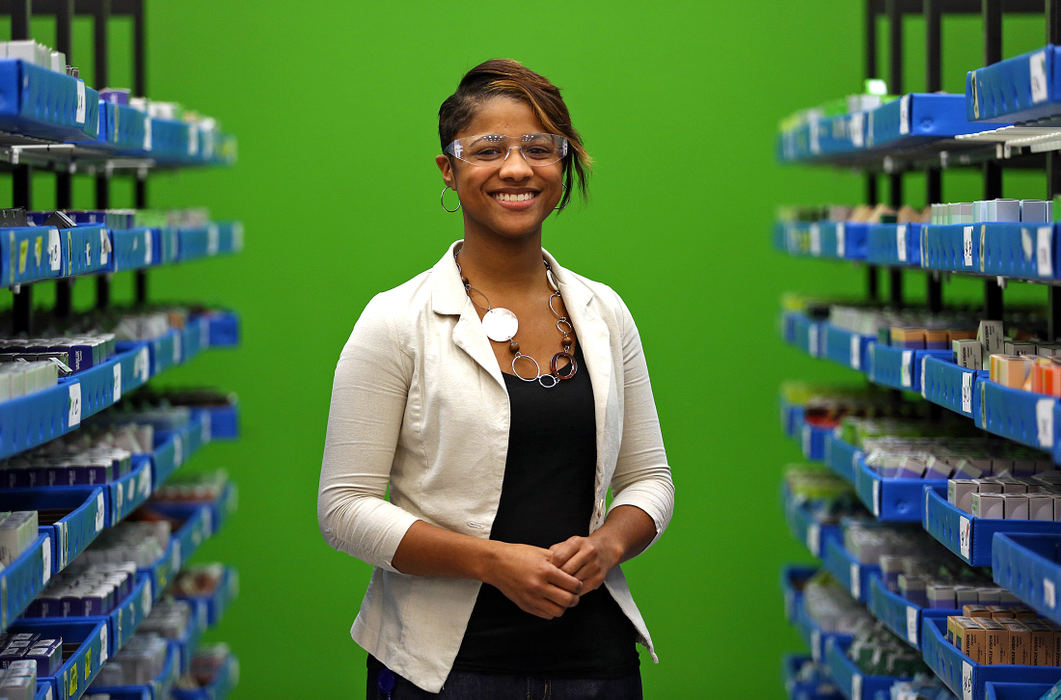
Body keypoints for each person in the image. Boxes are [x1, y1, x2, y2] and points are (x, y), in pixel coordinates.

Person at [318, 58, 674, 699]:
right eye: (488, 150)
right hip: (446, 671)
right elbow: (343, 510)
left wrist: (609, 546)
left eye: (540, 148)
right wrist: (493, 562)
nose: (516, 168)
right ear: (448, 170)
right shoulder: (396, 320)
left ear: (562, 165)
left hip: (595, 666)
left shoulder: (603, 312)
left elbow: (650, 480)